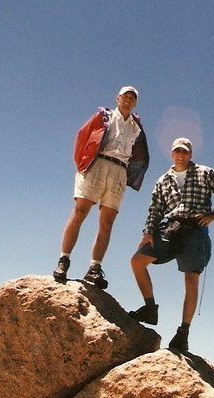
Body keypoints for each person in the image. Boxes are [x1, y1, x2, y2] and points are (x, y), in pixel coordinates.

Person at [128, 137, 214, 352]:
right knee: (137, 261)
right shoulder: (164, 180)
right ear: (171, 153)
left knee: (191, 279)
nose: (181, 155)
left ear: (190, 154)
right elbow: (155, 209)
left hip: (195, 229)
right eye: (177, 151)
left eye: (184, 152)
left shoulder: (205, 173)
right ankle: (150, 308)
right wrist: (148, 231)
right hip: (171, 227)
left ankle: (183, 333)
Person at [53, 86, 149, 289]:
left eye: (132, 98)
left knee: (107, 222)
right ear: (117, 98)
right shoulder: (103, 116)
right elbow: (83, 136)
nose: (128, 100)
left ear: (135, 103)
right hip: (98, 165)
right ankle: (64, 260)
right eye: (125, 96)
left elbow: (139, 153)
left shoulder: (136, 127)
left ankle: (94, 268)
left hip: (119, 171)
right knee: (80, 211)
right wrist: (82, 165)